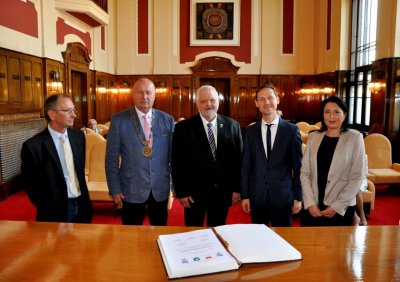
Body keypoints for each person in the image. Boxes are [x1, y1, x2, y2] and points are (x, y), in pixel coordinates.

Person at [105, 78, 175, 226]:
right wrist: (114, 188)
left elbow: (173, 157)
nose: (144, 97)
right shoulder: (118, 120)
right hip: (130, 188)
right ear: (133, 95)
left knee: (159, 232)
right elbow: (111, 159)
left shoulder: (167, 120)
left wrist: (175, 186)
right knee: (130, 236)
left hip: (160, 187)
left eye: (148, 92)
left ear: (155, 95)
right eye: (140, 92)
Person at [171, 85, 243, 227]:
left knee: (218, 231)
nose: (208, 104)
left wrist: (237, 189)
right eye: (203, 101)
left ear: (218, 101)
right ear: (196, 103)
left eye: (212, 100)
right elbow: (178, 163)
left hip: (223, 193)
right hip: (193, 194)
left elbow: (238, 160)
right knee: (192, 233)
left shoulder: (233, 125)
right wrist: (182, 192)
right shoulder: (183, 128)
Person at [20, 94, 93, 223]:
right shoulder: (33, 146)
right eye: (67, 111)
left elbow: (79, 172)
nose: (74, 115)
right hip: (53, 212)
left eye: (74, 110)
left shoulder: (78, 137)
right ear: (52, 114)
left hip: (82, 205)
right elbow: (31, 185)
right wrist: (47, 206)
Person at [241, 84, 303, 227]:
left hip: (283, 196)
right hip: (257, 196)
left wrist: (298, 197)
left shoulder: (292, 131)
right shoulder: (250, 131)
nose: (266, 102)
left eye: (270, 98)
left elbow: (298, 167)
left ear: (277, 100)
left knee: (284, 241)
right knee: (258, 241)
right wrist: (245, 195)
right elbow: (245, 166)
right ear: (256, 103)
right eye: (261, 99)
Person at [300, 95, 365, 226]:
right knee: (310, 245)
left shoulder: (355, 138)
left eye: (336, 112)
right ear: (322, 115)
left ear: (345, 114)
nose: (331, 117)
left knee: (339, 246)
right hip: (313, 207)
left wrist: (337, 206)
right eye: (327, 112)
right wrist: (310, 202)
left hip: (341, 209)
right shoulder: (314, 137)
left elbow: (357, 177)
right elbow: (305, 172)